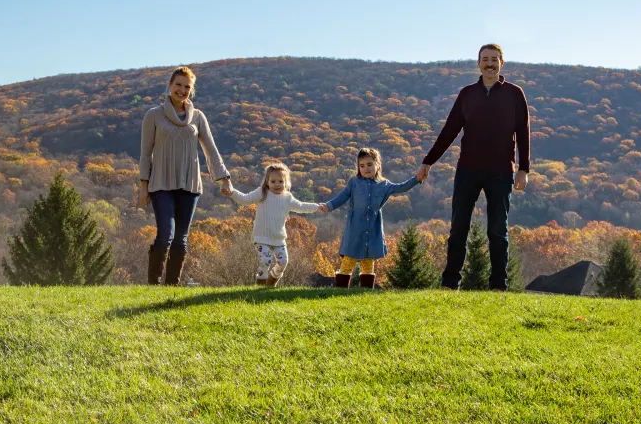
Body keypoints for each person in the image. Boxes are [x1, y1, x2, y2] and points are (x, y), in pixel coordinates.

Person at [418, 43, 530, 290]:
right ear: (478, 63)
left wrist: (524, 168)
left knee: (498, 231)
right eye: (485, 59)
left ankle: (499, 285)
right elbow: (449, 130)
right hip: (468, 169)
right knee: (458, 228)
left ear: (502, 63)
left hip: (501, 171)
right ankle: (450, 283)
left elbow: (523, 132)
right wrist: (429, 161)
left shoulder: (514, 93)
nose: (489, 63)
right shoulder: (466, 94)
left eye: (494, 59)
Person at [138, 66, 232, 285]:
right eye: (178, 85)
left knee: (181, 240)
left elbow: (211, 150)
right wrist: (143, 186)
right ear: (170, 85)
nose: (182, 90)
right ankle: (153, 284)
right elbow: (145, 153)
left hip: (189, 187)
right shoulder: (153, 115)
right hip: (160, 185)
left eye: (187, 87)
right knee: (165, 236)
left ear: (192, 90)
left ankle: (172, 286)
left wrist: (224, 178)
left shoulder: (198, 117)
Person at [321, 148, 423, 289]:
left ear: (377, 165)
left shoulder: (384, 185)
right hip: (355, 228)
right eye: (362, 166)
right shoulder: (354, 183)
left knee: (368, 260)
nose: (366, 168)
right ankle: (341, 290)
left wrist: (417, 179)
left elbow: (402, 187)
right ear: (358, 167)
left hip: (373, 228)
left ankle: (366, 291)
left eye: (369, 164)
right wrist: (328, 206)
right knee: (349, 259)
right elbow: (342, 197)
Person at [224, 162, 324, 286]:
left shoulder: (288, 198)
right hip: (262, 237)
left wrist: (317, 207)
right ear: (267, 182)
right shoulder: (262, 193)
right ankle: (260, 285)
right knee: (266, 261)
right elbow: (245, 199)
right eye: (273, 181)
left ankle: (271, 282)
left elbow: (301, 206)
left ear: (286, 183)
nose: (277, 184)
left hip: (278, 238)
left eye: (281, 181)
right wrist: (232, 192)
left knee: (283, 262)